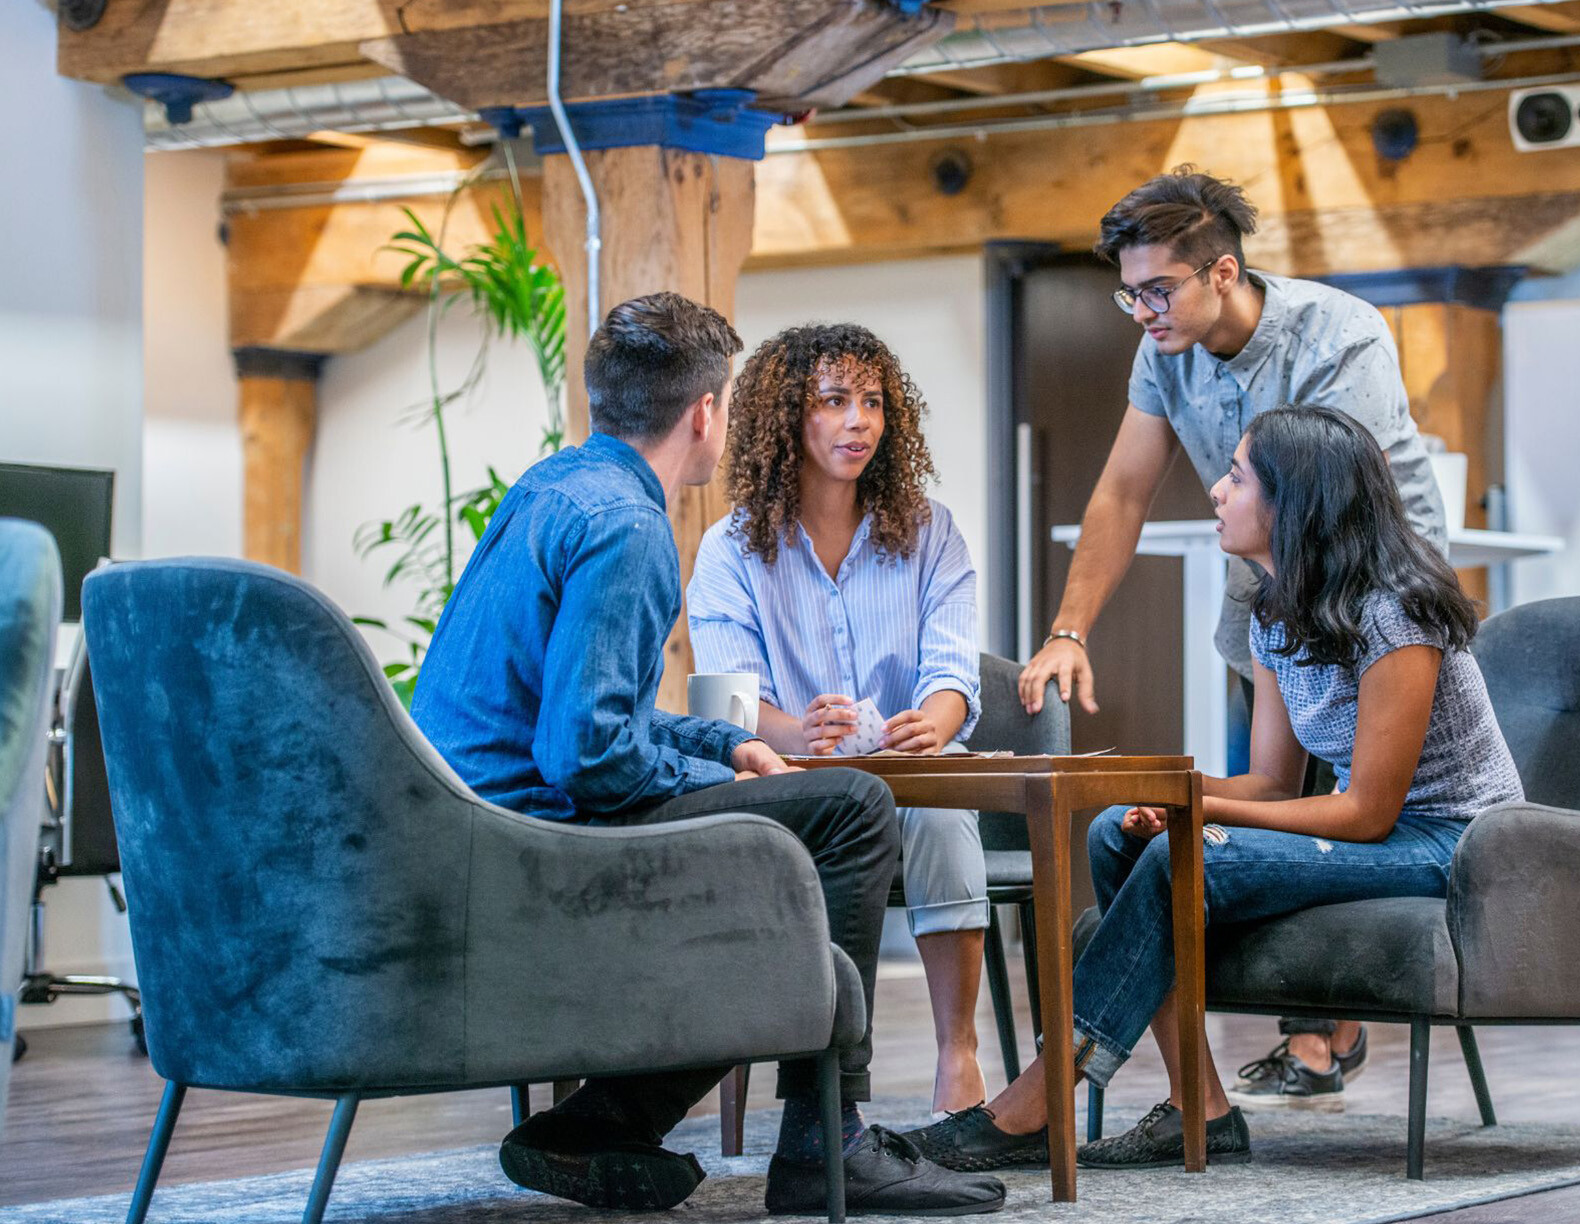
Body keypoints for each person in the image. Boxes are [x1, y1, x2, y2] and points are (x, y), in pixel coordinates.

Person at [409, 294, 1004, 1217]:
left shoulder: (554, 489)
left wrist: (722, 739)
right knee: (847, 809)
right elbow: (587, 755)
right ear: (707, 413)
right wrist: (720, 772)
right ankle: (825, 1135)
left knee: (788, 846)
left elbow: (593, 713)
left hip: (477, 825)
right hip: (535, 841)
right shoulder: (633, 528)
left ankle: (603, 1123)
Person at [904, 403, 1522, 1172]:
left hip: (1453, 840)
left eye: (1237, 477)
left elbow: (1368, 812)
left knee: (1180, 852)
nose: (1217, 493)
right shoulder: (1273, 608)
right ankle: (1201, 1107)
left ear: (1294, 504)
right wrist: (1165, 795)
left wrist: (1190, 809)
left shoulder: (1395, 612)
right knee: (1117, 836)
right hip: (1389, 829)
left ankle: (1039, 1095)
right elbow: (1269, 781)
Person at [1016, 166, 1448, 1104]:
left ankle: (1318, 1028)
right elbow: (1123, 491)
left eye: (1158, 289)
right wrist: (1068, 629)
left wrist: (1203, 808)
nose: (1142, 310)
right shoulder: (1162, 351)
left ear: (1221, 272)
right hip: (1275, 588)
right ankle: (1195, 1099)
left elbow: (1344, 501)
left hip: (1369, 586)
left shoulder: (1336, 335)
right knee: (1263, 784)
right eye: (1128, 293)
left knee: (1343, 795)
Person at [687, 323, 993, 1117]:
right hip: (793, 779)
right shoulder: (729, 550)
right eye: (833, 401)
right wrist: (795, 733)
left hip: (912, 770)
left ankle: (958, 1055)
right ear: (787, 417)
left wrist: (934, 719)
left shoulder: (932, 532)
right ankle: (813, 1089)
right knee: (848, 804)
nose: (859, 420)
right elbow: (725, 703)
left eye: (872, 402)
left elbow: (954, 668)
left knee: (942, 802)